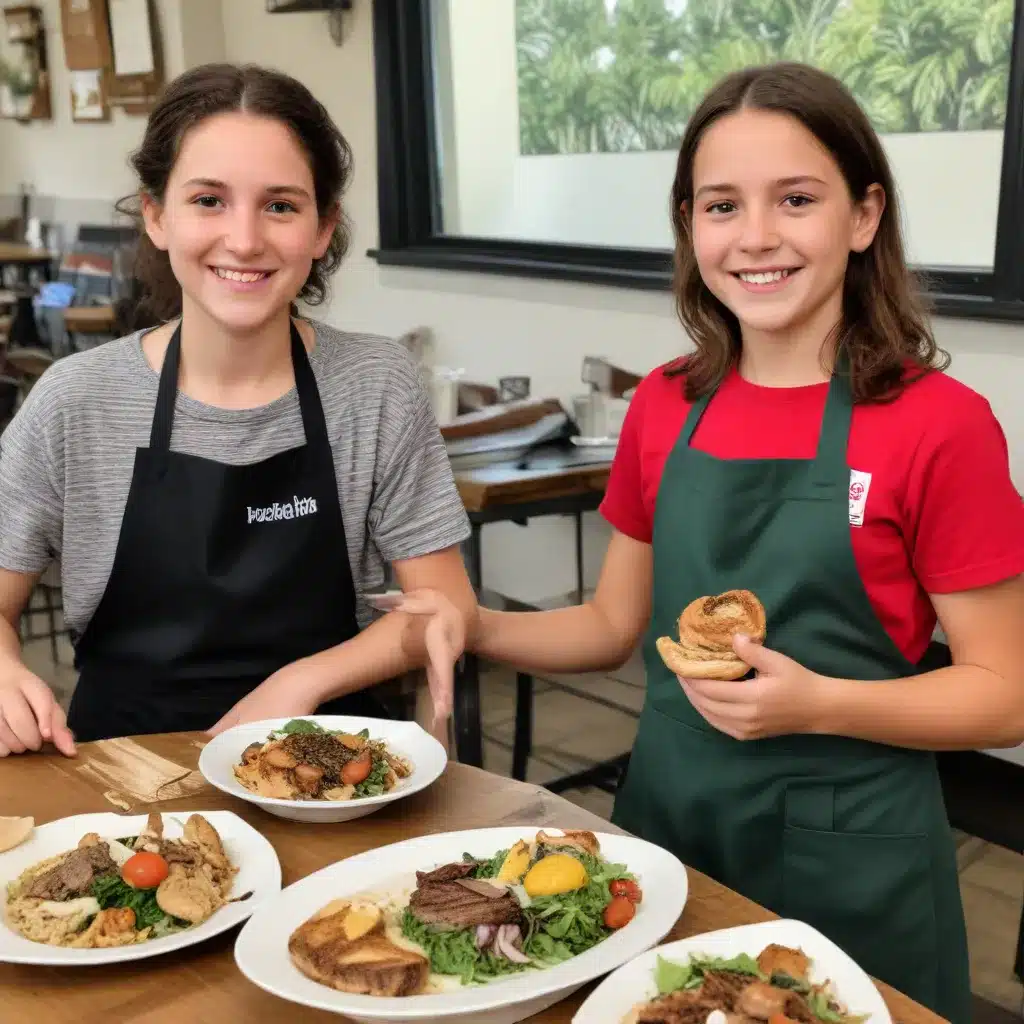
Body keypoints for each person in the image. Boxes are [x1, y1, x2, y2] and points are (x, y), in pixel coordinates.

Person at [397, 63, 1024, 1023]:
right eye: (722, 204)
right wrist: (469, 623)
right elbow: (614, 625)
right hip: (670, 828)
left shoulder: (939, 425)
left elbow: (1003, 694)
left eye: (797, 200)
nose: (757, 236)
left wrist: (818, 702)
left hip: (851, 851)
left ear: (863, 218)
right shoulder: (666, 403)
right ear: (691, 224)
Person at [0, 63, 475, 756]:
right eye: (209, 201)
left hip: (329, 770)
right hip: (123, 783)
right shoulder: (78, 400)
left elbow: (446, 606)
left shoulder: (375, 386)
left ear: (322, 228)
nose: (245, 240)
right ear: (157, 216)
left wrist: (303, 682)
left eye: (280, 205)